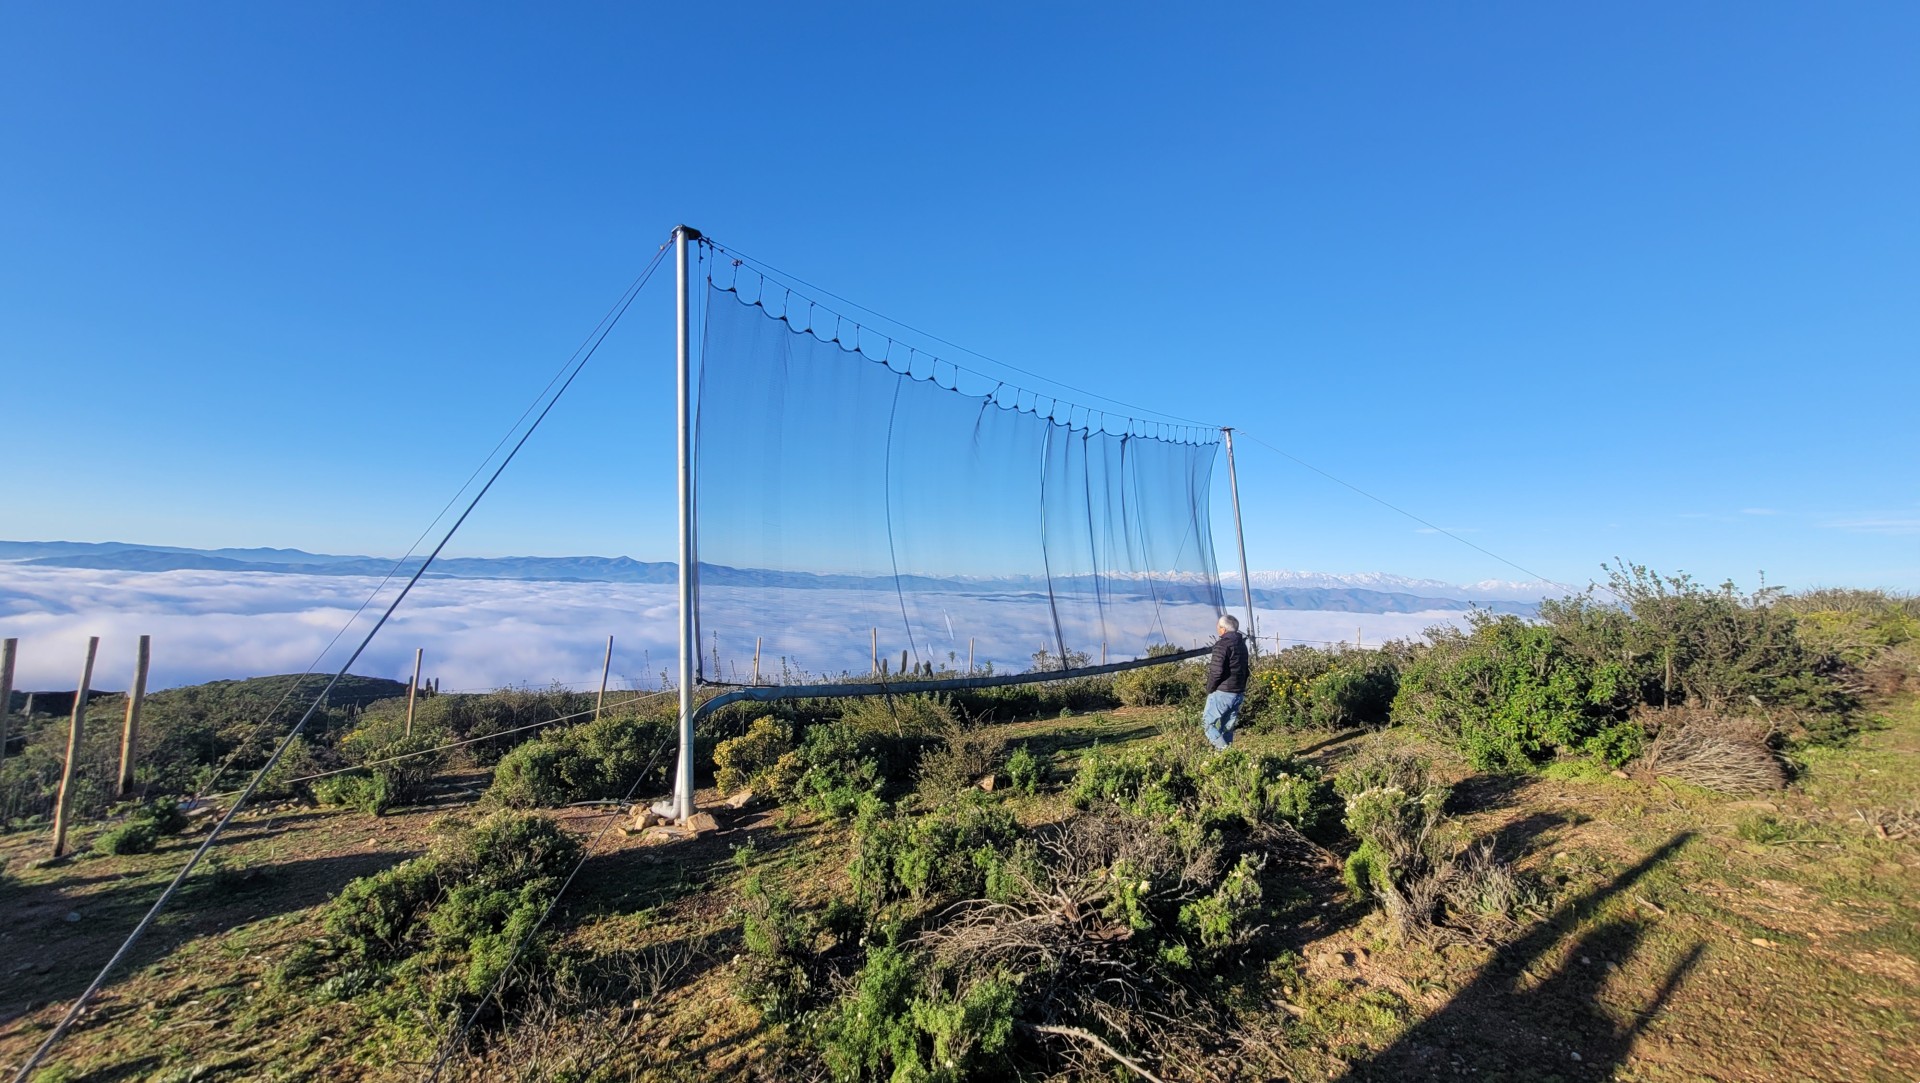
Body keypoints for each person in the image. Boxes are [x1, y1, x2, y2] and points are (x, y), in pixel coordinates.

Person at [1202, 614, 1250, 749]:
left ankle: (1225, 753)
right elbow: (1245, 670)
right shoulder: (1242, 645)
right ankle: (1228, 759)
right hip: (1238, 692)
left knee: (1207, 724)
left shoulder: (1222, 645)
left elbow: (1216, 671)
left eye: (1218, 626)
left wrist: (1210, 688)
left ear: (1223, 629)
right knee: (1227, 727)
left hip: (1223, 692)